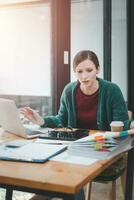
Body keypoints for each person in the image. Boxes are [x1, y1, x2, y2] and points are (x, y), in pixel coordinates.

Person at [21, 50, 133, 200]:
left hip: (101, 148)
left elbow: (121, 123)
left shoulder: (112, 90)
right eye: (79, 71)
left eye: (89, 70)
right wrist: (41, 120)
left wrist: (131, 125)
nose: (84, 76)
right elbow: (61, 120)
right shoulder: (69, 90)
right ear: (75, 72)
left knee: (70, 176)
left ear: (97, 70)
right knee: (54, 169)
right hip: (74, 148)